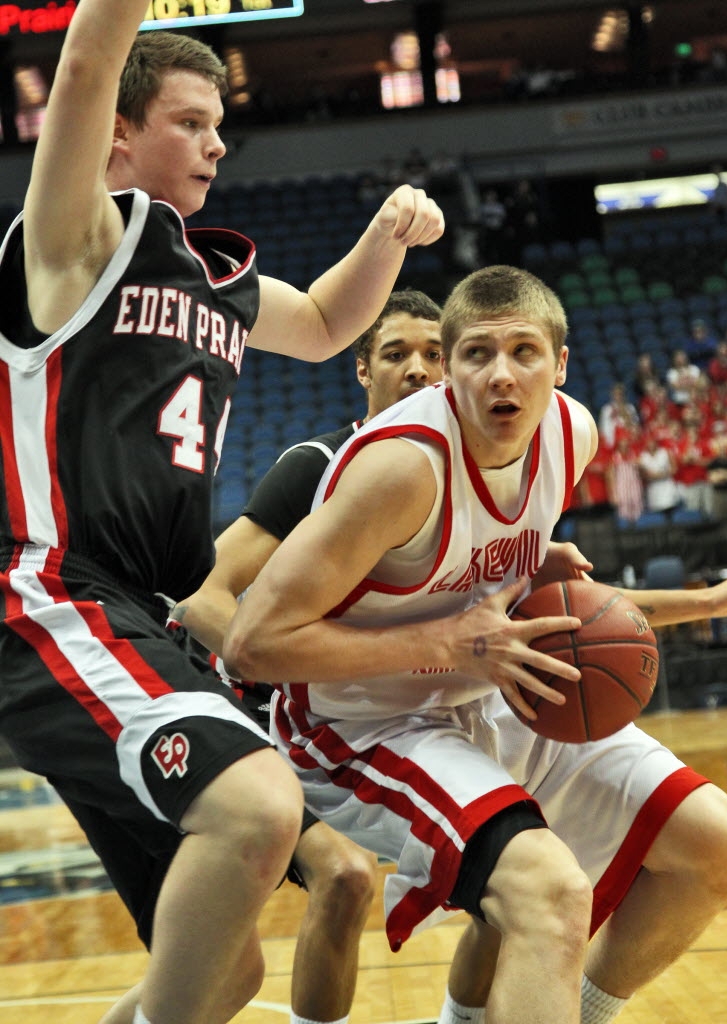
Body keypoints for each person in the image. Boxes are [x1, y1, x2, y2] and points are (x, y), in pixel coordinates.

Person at [0, 3, 444, 1024]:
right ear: (119, 131)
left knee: (222, 969)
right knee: (256, 808)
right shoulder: (75, 244)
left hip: (135, 616)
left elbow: (333, 324)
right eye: (191, 121)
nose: (216, 141)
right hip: (50, 592)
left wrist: (386, 234)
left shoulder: (219, 282)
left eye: (219, 124)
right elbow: (83, 65)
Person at [224, 265, 727, 1024]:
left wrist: (702, 598)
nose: (501, 374)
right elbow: (253, 644)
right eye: (476, 354)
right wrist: (452, 643)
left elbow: (476, 594)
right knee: (550, 894)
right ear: (450, 369)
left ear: (561, 364)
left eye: (523, 351)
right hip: (360, 724)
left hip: (486, 687)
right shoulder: (401, 470)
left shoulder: (572, 434)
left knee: (715, 845)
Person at [175, 288, 498, 1024]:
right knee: (345, 879)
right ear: (361, 370)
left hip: (383, 719)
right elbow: (202, 595)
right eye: (395, 354)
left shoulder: (473, 473)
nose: (418, 370)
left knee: (513, 862)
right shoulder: (318, 465)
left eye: (434, 355)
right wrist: (297, 662)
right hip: (265, 724)